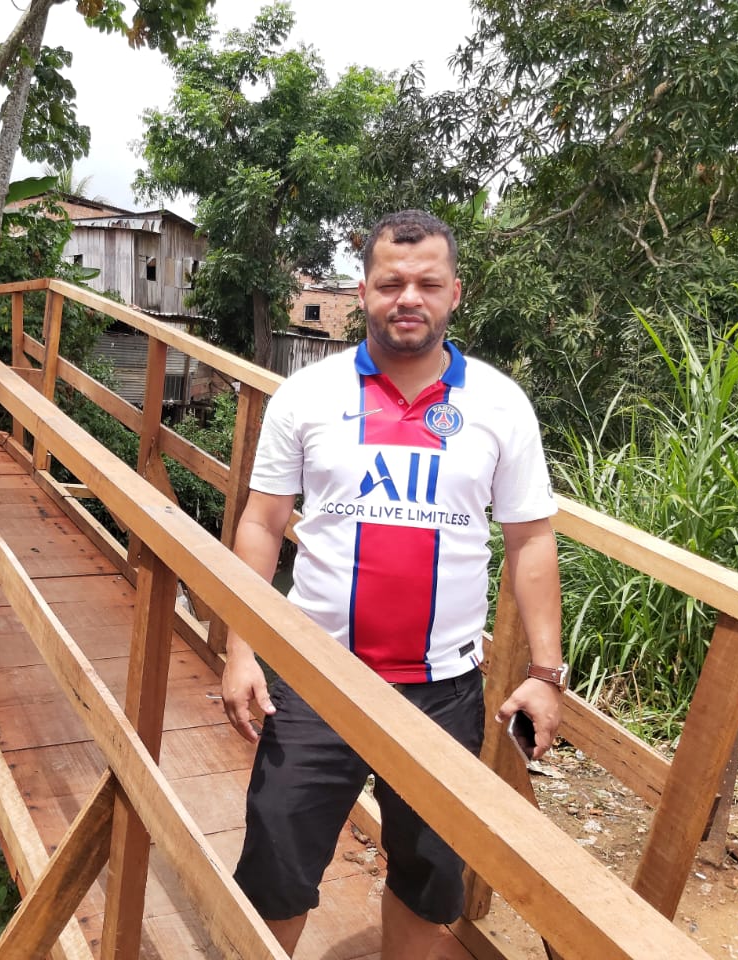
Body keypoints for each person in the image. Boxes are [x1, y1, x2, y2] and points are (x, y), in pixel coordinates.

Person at [222, 209, 566, 959]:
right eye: (391, 283)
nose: (409, 297)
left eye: (428, 284)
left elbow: (531, 539)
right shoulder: (307, 395)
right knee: (275, 865)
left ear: (455, 293)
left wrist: (545, 674)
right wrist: (241, 648)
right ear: (364, 292)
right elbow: (263, 523)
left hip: (443, 688)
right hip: (316, 675)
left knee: (429, 874)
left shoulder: (500, 404)